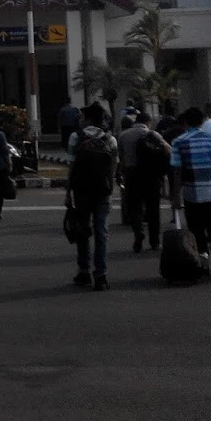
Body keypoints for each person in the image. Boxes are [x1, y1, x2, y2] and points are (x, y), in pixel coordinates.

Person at [168, 106, 211, 276]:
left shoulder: (179, 142)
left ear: (185, 122)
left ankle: (204, 263)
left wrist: (176, 196)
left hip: (192, 196)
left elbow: (177, 172)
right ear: (202, 121)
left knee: (196, 231)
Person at [67, 103, 118, 290]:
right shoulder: (110, 139)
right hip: (102, 191)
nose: (80, 120)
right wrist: (110, 188)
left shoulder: (76, 137)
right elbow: (113, 166)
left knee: (82, 231)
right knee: (101, 233)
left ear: (87, 118)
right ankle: (101, 275)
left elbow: (71, 167)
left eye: (82, 117)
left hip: (81, 191)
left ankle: (84, 271)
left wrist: (68, 192)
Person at [117, 112, 167, 253]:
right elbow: (167, 150)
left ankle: (138, 231)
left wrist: (121, 174)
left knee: (134, 207)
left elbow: (120, 157)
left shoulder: (124, 135)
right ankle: (155, 242)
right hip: (151, 176)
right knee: (153, 209)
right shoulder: (153, 135)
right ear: (148, 122)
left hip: (132, 174)